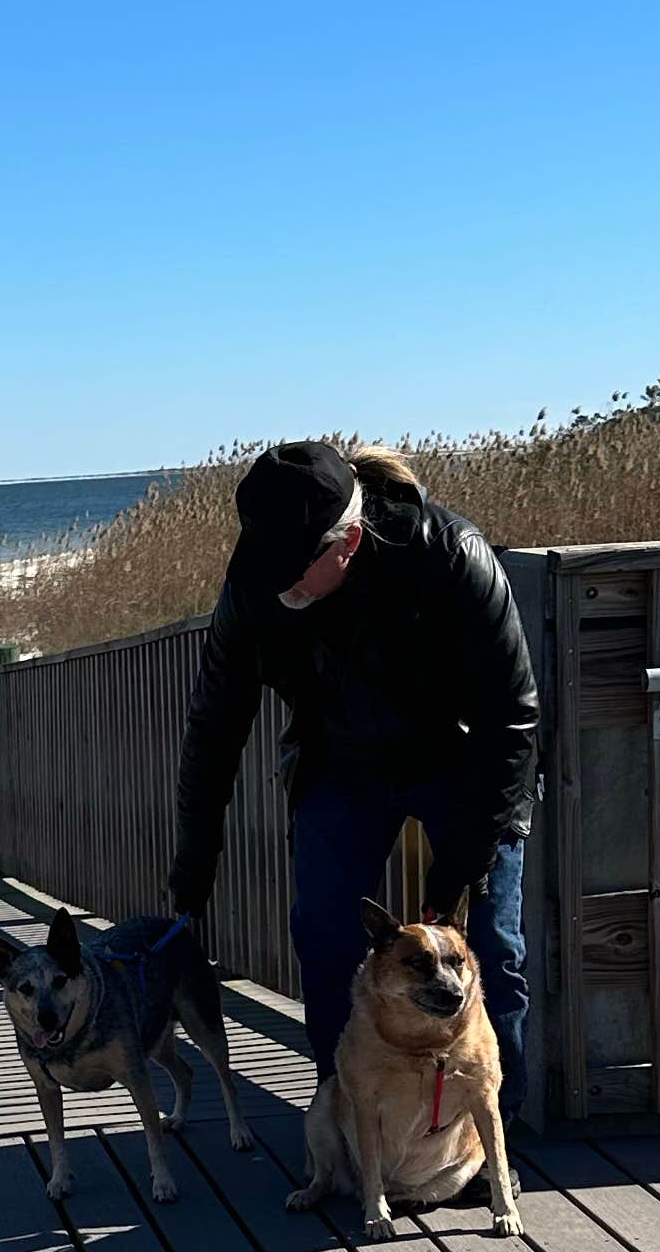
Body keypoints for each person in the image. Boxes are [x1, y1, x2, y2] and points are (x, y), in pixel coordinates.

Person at [167, 437, 539, 1106]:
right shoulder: (254, 587)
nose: (279, 588)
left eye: (293, 572)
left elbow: (511, 719)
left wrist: (459, 865)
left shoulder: (450, 555)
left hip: (462, 762)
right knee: (325, 934)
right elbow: (214, 728)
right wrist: (193, 861)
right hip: (340, 761)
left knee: (488, 943)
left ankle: (491, 1132)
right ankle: (349, 1121)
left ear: (348, 542)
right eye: (266, 568)